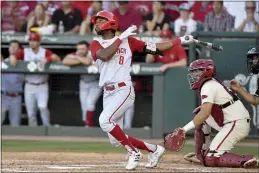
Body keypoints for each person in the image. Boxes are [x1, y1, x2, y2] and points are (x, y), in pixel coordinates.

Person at [89, 10, 194, 170]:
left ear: (110, 23)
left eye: (100, 20)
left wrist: (179, 40)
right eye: (96, 21)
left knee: (104, 120)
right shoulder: (96, 43)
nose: (96, 23)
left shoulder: (129, 42)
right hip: (108, 92)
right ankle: (155, 149)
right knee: (115, 139)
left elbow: (155, 48)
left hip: (123, 89)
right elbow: (105, 55)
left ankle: (133, 152)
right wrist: (120, 38)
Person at [174, 59, 258, 168]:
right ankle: (201, 154)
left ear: (206, 71)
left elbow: (205, 113)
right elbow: (203, 114)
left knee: (212, 158)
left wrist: (183, 130)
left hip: (236, 123)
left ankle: (245, 160)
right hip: (231, 121)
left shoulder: (208, 85)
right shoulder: (211, 83)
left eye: (196, 72)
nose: (193, 75)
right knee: (198, 113)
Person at [10, 32, 61, 127]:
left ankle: (47, 127)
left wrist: (47, 59)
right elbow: (14, 57)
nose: (32, 42)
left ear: (38, 42)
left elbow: (57, 58)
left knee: (42, 107)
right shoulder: (25, 51)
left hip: (42, 84)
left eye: (34, 40)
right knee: (31, 112)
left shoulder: (44, 51)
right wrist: (13, 58)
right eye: (30, 40)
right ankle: (34, 132)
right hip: (29, 85)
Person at [62, 41, 102, 127]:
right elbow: (65, 61)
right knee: (84, 106)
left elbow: (88, 62)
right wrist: (80, 60)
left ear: (88, 48)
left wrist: (75, 58)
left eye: (83, 49)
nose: (80, 51)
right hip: (83, 82)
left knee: (90, 102)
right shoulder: (77, 54)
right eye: (79, 49)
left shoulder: (93, 53)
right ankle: (86, 124)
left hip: (96, 82)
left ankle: (89, 124)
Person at [1, 40, 24, 126]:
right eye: (11, 46)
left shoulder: (23, 64)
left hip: (16, 97)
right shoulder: (2, 62)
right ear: (8, 48)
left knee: (15, 125)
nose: (13, 48)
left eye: (15, 47)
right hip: (3, 96)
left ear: (19, 50)